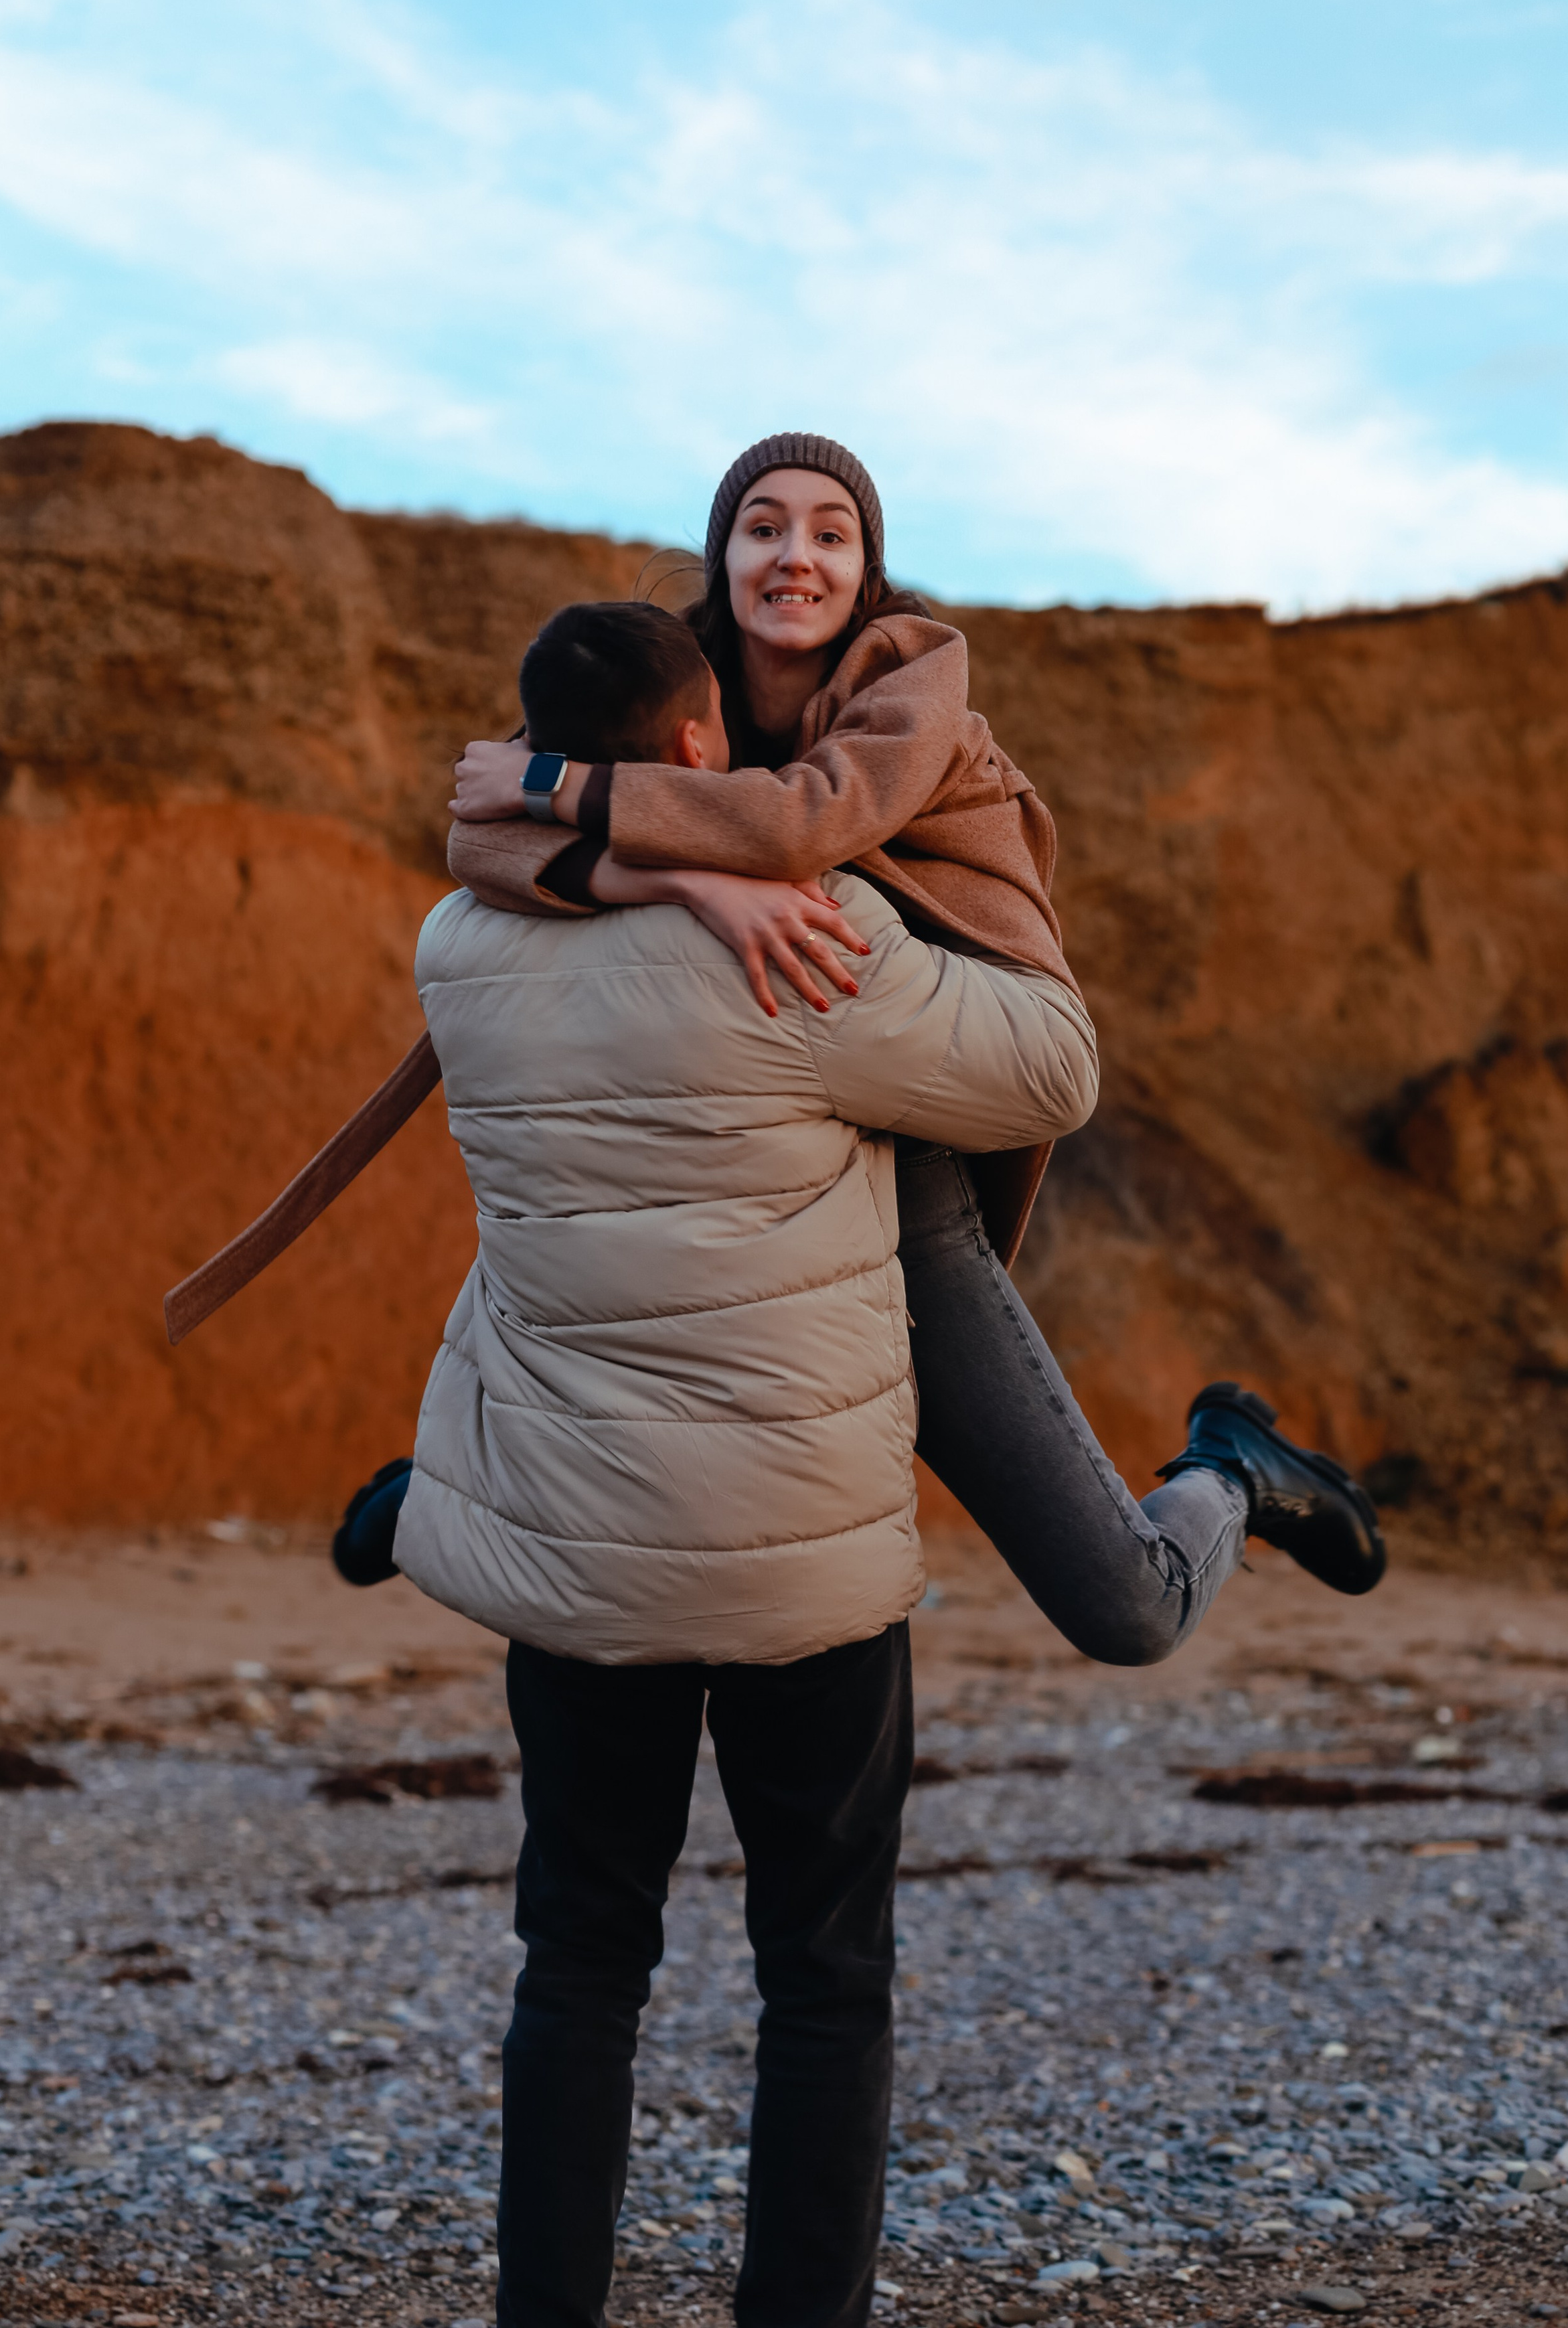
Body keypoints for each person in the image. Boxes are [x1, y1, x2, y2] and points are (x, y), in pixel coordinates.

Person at [382, 598, 1101, 2328]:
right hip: (800, 1569)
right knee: (825, 1984)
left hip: (577, 1560)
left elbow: (500, 847)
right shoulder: (813, 938)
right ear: (707, 752)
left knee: (578, 1969)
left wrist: (662, 866)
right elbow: (1052, 1073)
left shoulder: (457, 953)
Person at [390, 433, 1385, 1645]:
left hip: (917, 1161)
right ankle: (437, 1488)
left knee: (1128, 1609)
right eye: (762, 528)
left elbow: (811, 822)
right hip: (739, 1162)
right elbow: (475, 844)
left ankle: (1232, 1466)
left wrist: (574, 793)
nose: (793, 556)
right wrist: (691, 886)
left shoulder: (915, 689)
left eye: (829, 532)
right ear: (723, 555)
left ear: (866, 570)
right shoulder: (676, 687)